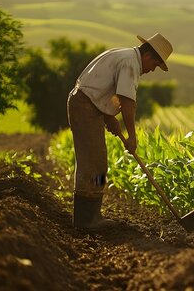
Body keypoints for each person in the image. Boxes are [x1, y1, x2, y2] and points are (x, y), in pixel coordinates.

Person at [67, 33, 173, 229]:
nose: (151, 71)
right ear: (149, 57)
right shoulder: (130, 64)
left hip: (88, 105)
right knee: (93, 163)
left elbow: (101, 88)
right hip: (85, 107)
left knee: (96, 163)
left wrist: (109, 117)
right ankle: (86, 219)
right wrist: (132, 136)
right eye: (155, 65)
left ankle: (90, 215)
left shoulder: (124, 55)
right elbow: (127, 101)